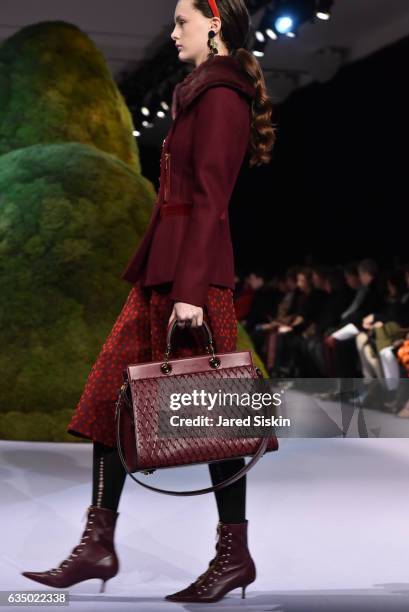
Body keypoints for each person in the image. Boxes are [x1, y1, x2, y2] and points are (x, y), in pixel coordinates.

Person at [21, 0, 277, 604]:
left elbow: (213, 200)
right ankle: (98, 545)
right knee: (107, 403)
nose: (172, 32)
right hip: (164, 273)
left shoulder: (220, 94)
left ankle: (232, 556)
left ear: (214, 25)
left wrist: (189, 291)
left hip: (191, 280)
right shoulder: (200, 90)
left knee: (216, 419)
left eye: (182, 21)